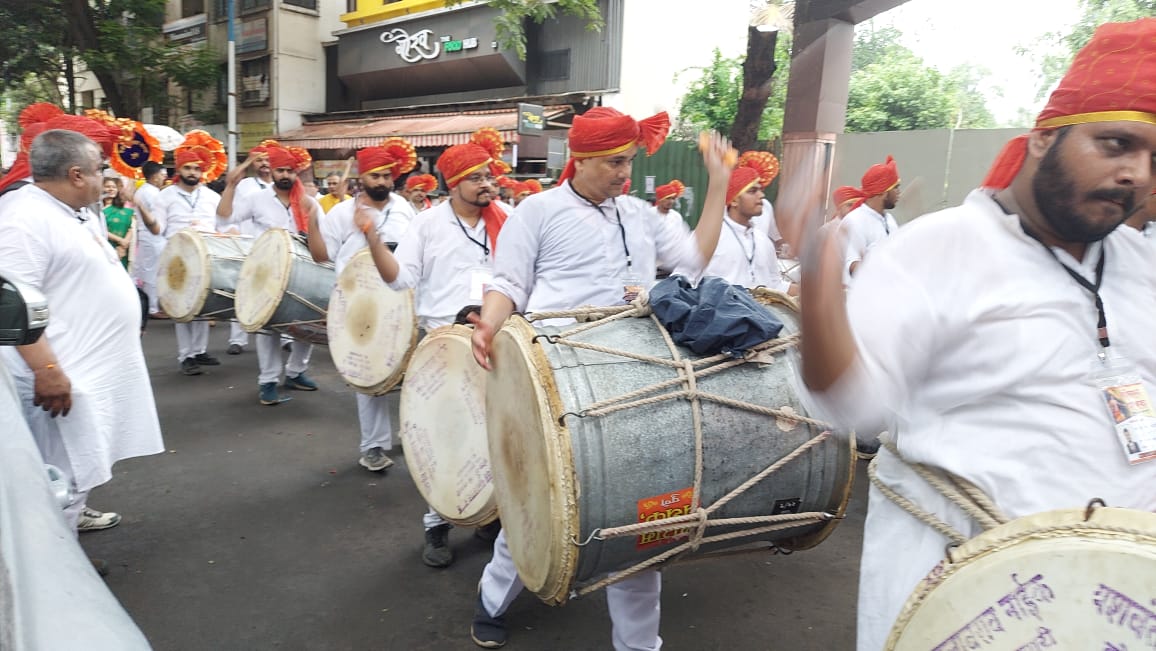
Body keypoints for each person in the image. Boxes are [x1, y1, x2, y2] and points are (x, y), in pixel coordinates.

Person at [796, 18, 1156, 651]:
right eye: (1115, 143)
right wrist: (819, 289)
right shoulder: (936, 249)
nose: (1137, 173)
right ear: (1045, 138)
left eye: (1154, 159)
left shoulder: (1139, 261)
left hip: (1122, 599)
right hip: (977, 598)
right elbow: (849, 406)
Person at [466, 106, 733, 650]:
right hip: (560, 381)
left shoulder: (639, 214)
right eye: (614, 162)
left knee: (643, 516)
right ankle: (492, 598)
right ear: (580, 159)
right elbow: (508, 281)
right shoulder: (537, 212)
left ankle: (639, 645)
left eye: (629, 161)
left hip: (636, 378)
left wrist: (719, 186)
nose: (624, 174)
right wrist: (487, 326)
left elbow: (693, 259)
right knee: (540, 499)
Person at [355, 128, 510, 569]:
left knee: (496, 435)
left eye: (489, 176)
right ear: (453, 182)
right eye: (477, 177)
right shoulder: (427, 224)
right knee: (445, 436)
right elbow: (399, 278)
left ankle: (490, 514)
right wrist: (371, 238)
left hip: (497, 340)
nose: (487, 184)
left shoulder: (508, 219)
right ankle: (436, 521)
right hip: (444, 345)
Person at [0, 129, 164, 546]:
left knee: (78, 473)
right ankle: (58, 578)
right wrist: (47, 369)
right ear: (76, 174)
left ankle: (65, 548)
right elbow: (10, 302)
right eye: (99, 168)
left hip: (89, 371)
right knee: (60, 479)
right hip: (61, 376)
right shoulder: (23, 218)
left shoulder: (76, 209)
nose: (105, 176)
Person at [305, 137, 418, 472]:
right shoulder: (341, 213)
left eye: (386, 176)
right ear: (362, 178)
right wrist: (312, 217)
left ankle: (411, 432)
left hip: (402, 302)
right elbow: (321, 255)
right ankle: (373, 445)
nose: (382, 181)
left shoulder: (404, 209)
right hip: (358, 306)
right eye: (375, 176)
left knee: (410, 370)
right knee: (368, 374)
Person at [218, 145, 322, 405]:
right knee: (269, 329)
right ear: (272, 172)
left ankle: (296, 372)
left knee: (307, 324)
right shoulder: (256, 198)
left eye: (290, 171)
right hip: (265, 272)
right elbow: (224, 219)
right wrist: (230, 187)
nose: (285, 175)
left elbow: (324, 236)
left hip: (303, 272)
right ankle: (268, 381)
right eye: (280, 170)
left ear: (296, 173)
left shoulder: (308, 203)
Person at [152, 130, 227, 376]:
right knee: (182, 308)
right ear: (179, 169)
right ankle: (186, 355)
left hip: (206, 257)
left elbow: (221, 227)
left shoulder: (212, 196)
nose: (193, 173)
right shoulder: (165, 196)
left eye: (197, 168)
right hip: (177, 259)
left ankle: (200, 350)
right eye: (188, 168)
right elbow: (159, 230)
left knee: (203, 305)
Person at [677, 155, 795, 294]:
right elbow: (682, 281)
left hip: (763, 313)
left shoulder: (763, 241)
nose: (761, 195)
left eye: (760, 190)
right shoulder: (710, 238)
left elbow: (775, 285)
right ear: (734, 201)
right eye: (752, 191)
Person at [841, 156, 901, 283]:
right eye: (895, 187)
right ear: (883, 192)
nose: (899, 192)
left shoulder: (890, 220)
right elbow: (853, 266)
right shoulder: (854, 221)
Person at [130, 162, 167, 318]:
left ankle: (150, 304)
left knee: (147, 270)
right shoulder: (150, 193)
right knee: (152, 271)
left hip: (150, 235)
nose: (164, 178)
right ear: (154, 175)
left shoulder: (145, 191)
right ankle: (152, 308)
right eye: (162, 175)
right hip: (152, 234)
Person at [102, 177, 134, 268]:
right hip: (106, 248)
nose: (111, 189)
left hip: (123, 250)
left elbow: (131, 228)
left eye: (114, 187)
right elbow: (100, 230)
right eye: (107, 186)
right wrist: (121, 241)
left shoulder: (126, 211)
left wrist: (124, 245)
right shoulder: (98, 210)